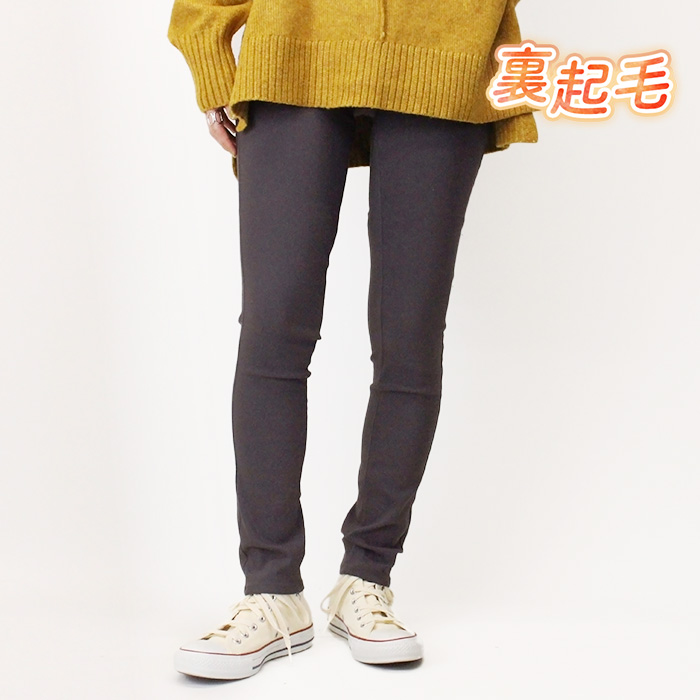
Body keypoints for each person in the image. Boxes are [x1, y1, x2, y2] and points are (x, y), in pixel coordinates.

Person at [167, 0, 538, 681]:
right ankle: (272, 591)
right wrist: (213, 66)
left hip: (445, 52)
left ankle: (366, 578)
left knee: (411, 336)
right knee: (274, 329)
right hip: (294, 46)